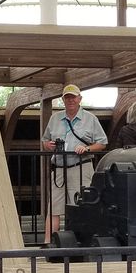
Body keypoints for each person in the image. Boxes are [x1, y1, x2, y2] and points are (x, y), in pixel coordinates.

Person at [41, 84, 107, 243]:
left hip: (80, 168)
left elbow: (102, 143)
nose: (70, 100)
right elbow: (44, 141)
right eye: (67, 97)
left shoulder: (90, 119)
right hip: (58, 169)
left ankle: (80, 242)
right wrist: (48, 145)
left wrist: (86, 148)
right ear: (63, 100)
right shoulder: (54, 118)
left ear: (80, 99)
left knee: (80, 207)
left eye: (73, 97)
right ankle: (48, 243)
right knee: (53, 208)